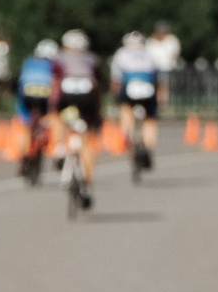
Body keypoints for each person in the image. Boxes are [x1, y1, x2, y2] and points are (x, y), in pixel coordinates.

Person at [49, 28, 102, 208]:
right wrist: (97, 116)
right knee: (86, 142)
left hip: (68, 96)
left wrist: (52, 107)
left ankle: (60, 147)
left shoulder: (59, 59)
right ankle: (87, 186)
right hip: (88, 97)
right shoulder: (92, 59)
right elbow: (98, 85)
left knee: (59, 117)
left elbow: (55, 84)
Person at [109, 29, 162, 168]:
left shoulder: (121, 54)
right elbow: (156, 76)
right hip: (148, 88)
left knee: (126, 108)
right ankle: (148, 147)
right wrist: (158, 95)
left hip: (129, 87)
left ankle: (126, 133)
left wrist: (115, 96)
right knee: (150, 119)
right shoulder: (149, 53)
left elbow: (116, 79)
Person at [15, 40, 59, 176]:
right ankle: (57, 148)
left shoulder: (29, 62)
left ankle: (24, 155)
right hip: (45, 94)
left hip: (27, 93)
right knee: (53, 117)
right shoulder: (54, 65)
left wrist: (21, 113)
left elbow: (20, 83)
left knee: (26, 126)